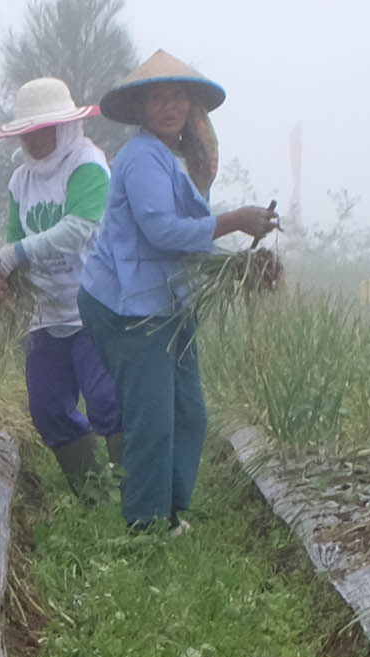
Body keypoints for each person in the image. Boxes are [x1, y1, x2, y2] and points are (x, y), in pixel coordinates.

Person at [81, 50, 278, 530]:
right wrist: (233, 221)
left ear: (191, 108)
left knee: (188, 413)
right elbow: (163, 233)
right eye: (157, 99)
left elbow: (188, 233)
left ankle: (170, 510)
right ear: (143, 110)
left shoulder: (173, 161)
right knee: (153, 419)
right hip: (130, 307)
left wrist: (237, 264)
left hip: (167, 302)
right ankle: (147, 526)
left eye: (178, 98)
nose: (169, 107)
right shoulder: (142, 159)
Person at [0, 77, 119, 497]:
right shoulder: (20, 181)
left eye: (45, 129)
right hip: (45, 311)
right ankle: (93, 492)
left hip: (95, 303)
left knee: (107, 400)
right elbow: (13, 239)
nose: (37, 139)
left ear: (64, 126)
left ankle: (136, 490)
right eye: (29, 132)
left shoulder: (87, 164)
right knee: (47, 407)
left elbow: (78, 229)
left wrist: (16, 253)